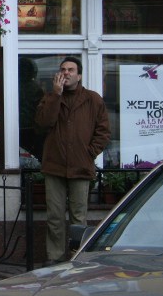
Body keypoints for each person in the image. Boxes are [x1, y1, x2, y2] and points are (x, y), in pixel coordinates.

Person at [34, 56, 110, 266]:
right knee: (55, 216)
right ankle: (55, 257)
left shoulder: (92, 99)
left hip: (80, 166)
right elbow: (43, 123)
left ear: (79, 75)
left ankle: (77, 257)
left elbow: (103, 131)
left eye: (70, 69)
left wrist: (89, 153)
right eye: (63, 69)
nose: (66, 73)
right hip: (54, 165)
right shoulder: (50, 97)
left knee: (79, 217)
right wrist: (56, 95)